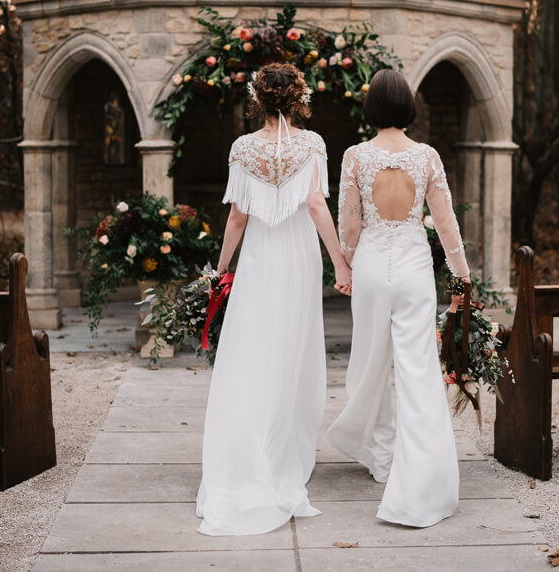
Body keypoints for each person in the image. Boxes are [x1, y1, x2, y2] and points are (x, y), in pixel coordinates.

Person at [196, 62, 352, 536]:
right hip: (299, 259)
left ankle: (247, 450)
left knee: (251, 350)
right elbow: (315, 205)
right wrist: (340, 263)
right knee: (292, 351)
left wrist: (219, 271)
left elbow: (238, 218)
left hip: (261, 260)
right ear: (298, 98)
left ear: (258, 100)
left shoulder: (243, 148)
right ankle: (281, 452)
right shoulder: (314, 144)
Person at [324, 68, 469, 528]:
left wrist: (343, 265)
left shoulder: (355, 156)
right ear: (409, 106)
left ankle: (381, 455)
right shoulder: (426, 156)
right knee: (417, 369)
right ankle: (422, 474)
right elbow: (446, 225)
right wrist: (463, 280)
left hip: (370, 267)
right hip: (412, 267)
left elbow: (349, 222)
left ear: (371, 108)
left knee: (369, 362)